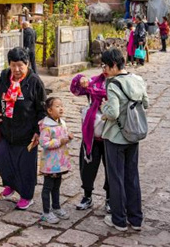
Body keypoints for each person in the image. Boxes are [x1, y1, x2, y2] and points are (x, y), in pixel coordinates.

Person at [0, 46, 47, 210]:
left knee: (25, 167)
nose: (16, 69)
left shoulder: (34, 82)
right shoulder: (4, 77)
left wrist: (38, 131)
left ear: (27, 64)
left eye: (20, 65)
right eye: (13, 65)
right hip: (7, 129)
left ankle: (27, 196)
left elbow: (42, 109)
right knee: (1, 155)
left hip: (27, 133)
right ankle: (10, 183)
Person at [100, 48, 149, 232]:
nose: (104, 69)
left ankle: (119, 220)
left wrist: (104, 109)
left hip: (115, 137)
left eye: (105, 66)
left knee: (116, 178)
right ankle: (136, 219)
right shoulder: (137, 79)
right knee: (132, 176)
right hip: (133, 135)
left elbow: (112, 113)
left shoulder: (113, 84)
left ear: (113, 65)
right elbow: (145, 103)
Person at [70, 69, 110, 212]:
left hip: (112, 135)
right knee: (87, 166)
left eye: (109, 65)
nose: (106, 69)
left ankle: (110, 198)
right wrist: (80, 78)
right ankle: (87, 196)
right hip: (92, 134)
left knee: (111, 168)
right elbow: (75, 90)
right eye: (104, 65)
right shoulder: (93, 82)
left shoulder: (120, 84)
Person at [38, 96, 73, 224]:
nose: (61, 108)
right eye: (57, 106)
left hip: (59, 161)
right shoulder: (46, 126)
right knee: (48, 187)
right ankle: (46, 212)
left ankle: (56, 207)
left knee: (57, 186)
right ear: (49, 110)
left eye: (61, 106)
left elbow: (63, 137)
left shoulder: (61, 122)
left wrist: (68, 137)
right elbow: (44, 143)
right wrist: (59, 141)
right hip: (50, 163)